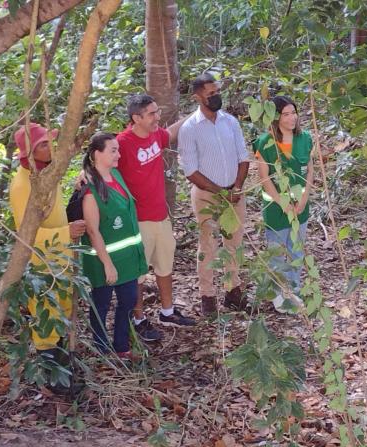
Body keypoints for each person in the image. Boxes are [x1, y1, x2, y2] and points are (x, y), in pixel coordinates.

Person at [10, 122, 86, 394]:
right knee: (47, 319)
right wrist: (67, 233)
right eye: (43, 144)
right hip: (43, 265)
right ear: (28, 153)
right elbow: (26, 234)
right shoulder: (22, 186)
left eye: (49, 142)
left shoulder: (46, 174)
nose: (50, 147)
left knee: (62, 312)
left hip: (60, 258)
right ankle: (54, 381)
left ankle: (63, 371)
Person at [116, 94, 196, 342]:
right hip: (138, 220)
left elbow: (169, 132)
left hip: (161, 216)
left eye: (157, 112)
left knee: (164, 265)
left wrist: (196, 113)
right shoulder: (123, 143)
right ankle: (138, 319)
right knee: (139, 273)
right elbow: (103, 165)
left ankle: (168, 311)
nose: (157, 117)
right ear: (136, 118)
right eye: (151, 114)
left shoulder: (155, 135)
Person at [178, 74, 250, 316]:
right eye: (210, 93)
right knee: (207, 244)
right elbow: (190, 171)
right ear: (197, 97)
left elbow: (243, 157)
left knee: (234, 243)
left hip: (235, 194)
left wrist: (237, 187)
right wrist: (220, 192)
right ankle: (207, 296)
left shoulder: (230, 122)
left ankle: (233, 292)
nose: (216, 96)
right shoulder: (190, 128)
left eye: (217, 91)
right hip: (206, 196)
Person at [81, 132, 148, 360]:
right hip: (104, 259)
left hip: (127, 257)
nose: (118, 154)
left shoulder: (116, 175)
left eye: (118, 149)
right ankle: (101, 349)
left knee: (128, 299)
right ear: (96, 154)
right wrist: (107, 264)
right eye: (113, 150)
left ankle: (122, 345)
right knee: (101, 304)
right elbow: (92, 230)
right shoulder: (89, 188)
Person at [253, 96, 314, 313]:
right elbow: (264, 177)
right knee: (277, 251)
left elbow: (310, 170)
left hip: (301, 207)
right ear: (276, 117)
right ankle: (279, 294)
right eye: (285, 114)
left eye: (293, 113)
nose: (291, 118)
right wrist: (283, 203)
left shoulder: (305, 138)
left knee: (296, 249)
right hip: (277, 209)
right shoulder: (265, 142)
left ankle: (294, 291)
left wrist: (303, 200)